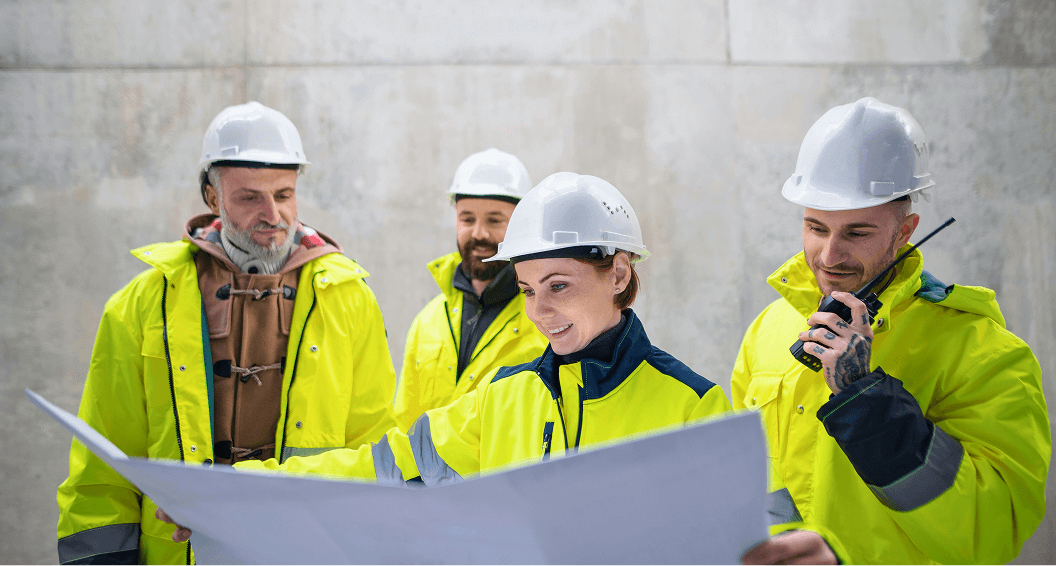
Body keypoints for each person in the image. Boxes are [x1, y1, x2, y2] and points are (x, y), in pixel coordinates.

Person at [161, 172, 732, 540]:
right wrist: (232, 490)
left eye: (558, 286)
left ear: (620, 273)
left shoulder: (692, 406)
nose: (538, 312)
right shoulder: (503, 400)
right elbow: (376, 468)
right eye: (529, 290)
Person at [57, 102, 398, 565]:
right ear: (212, 198)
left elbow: (373, 446)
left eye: (284, 194)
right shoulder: (143, 302)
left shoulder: (349, 299)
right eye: (249, 197)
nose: (272, 213)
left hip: (305, 550)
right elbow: (103, 466)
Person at [735, 98, 1049, 565]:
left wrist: (866, 398)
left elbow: (990, 533)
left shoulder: (984, 352)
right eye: (816, 227)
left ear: (906, 231)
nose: (828, 256)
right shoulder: (770, 328)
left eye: (857, 233)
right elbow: (748, 488)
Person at [394, 149, 547, 431]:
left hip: (508, 476)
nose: (479, 233)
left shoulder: (547, 322)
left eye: (494, 220)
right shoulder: (427, 322)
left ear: (521, 224)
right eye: (467, 219)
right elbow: (405, 427)